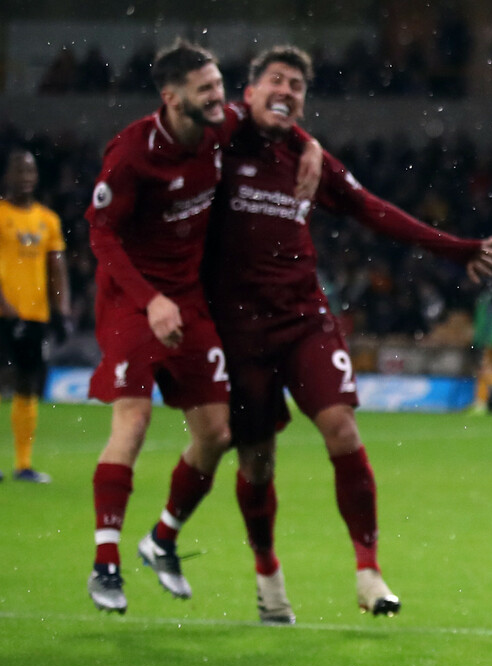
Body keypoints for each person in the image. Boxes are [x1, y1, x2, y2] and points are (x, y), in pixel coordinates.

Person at [208, 46, 492, 623]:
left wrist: (456, 248)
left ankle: (368, 570)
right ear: (247, 92)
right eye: (276, 80)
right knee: (257, 463)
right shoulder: (220, 145)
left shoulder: (305, 156)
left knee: (342, 428)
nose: (287, 90)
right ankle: (267, 573)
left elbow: (374, 211)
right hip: (240, 328)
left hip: (303, 318)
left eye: (297, 85)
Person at [84, 39, 320, 614]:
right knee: (133, 421)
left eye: (219, 85)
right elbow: (101, 234)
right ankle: (105, 563)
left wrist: (310, 144)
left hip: (188, 303)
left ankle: (162, 536)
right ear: (172, 98)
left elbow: (273, 113)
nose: (220, 96)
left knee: (217, 433)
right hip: (133, 302)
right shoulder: (132, 154)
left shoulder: (220, 127)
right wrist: (149, 300)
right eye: (206, 89)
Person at [0, 149, 70, 484]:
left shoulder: (48, 220)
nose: (25, 176)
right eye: (19, 170)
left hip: (34, 315)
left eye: (30, 171)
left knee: (28, 385)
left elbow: (57, 269)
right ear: (7, 176)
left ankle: (23, 464)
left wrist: (62, 311)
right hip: (3, 314)